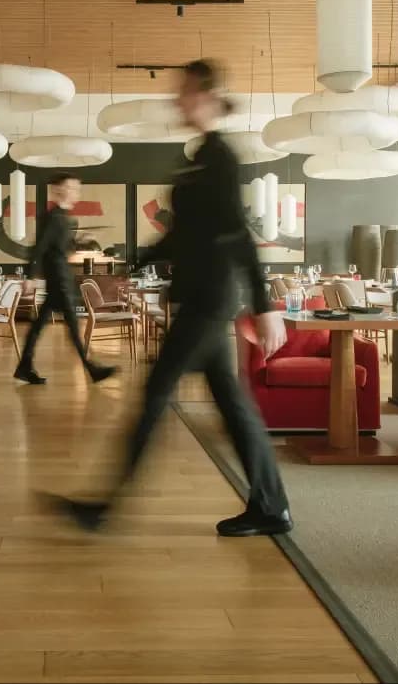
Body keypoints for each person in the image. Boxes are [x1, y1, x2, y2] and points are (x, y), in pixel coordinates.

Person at [52, 59, 293, 537]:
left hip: (209, 300)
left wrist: (264, 304)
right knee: (232, 405)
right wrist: (133, 265)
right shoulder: (199, 157)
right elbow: (181, 234)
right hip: (202, 297)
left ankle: (103, 506)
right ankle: (271, 507)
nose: (177, 99)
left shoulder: (220, 157)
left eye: (186, 90)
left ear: (209, 96)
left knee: (156, 394)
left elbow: (237, 234)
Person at [14, 172, 117, 385]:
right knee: (72, 327)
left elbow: (60, 248)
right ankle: (91, 368)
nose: (76, 192)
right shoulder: (53, 218)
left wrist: (80, 241)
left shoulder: (62, 218)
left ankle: (25, 366)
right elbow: (39, 248)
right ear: (59, 190)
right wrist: (30, 276)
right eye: (72, 187)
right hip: (59, 280)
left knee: (40, 325)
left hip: (59, 278)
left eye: (77, 188)